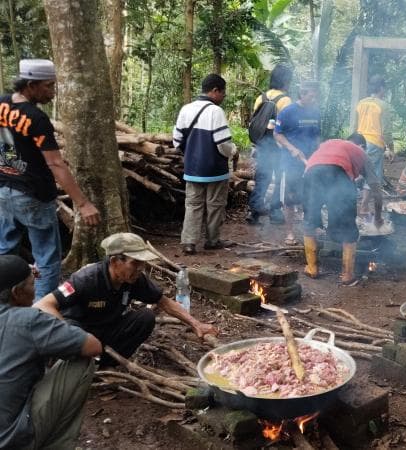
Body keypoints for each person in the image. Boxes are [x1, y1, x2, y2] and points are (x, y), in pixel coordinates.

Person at [33, 233, 219, 368]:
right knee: (73, 327)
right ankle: (77, 368)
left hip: (109, 331)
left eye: (143, 263)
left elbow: (163, 302)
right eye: (135, 263)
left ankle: (106, 365)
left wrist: (197, 325)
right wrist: (73, 335)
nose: (141, 268)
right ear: (115, 261)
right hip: (81, 333)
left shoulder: (135, 278)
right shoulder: (86, 279)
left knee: (145, 317)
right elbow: (43, 304)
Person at [0, 59, 101, 299]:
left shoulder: (2, 104)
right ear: (31, 85)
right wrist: (84, 204)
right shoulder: (36, 118)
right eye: (48, 86)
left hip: (5, 189)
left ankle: (3, 306)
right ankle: (41, 314)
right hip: (34, 194)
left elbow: (7, 142)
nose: (52, 92)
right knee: (46, 258)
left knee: (5, 250)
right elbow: (55, 162)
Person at [0, 255, 103, 450]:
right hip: (11, 439)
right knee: (81, 362)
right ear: (16, 292)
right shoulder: (27, 320)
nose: (36, 289)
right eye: (32, 284)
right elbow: (93, 346)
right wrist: (58, 339)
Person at [302, 134, 384, 286]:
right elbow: (376, 191)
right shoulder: (363, 154)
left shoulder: (328, 144)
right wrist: (378, 217)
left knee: (309, 220)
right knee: (347, 226)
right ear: (362, 146)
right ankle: (347, 275)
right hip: (337, 173)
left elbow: (316, 165)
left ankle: (312, 268)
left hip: (310, 174)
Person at [173, 73, 238, 255]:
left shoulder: (186, 109)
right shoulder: (215, 111)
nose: (224, 97)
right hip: (215, 169)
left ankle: (189, 242)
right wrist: (232, 151)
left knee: (193, 204)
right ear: (215, 91)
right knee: (215, 204)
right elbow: (223, 143)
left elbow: (177, 140)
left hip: (193, 168)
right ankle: (212, 240)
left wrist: (191, 153)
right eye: (223, 93)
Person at [274, 81, 321, 246]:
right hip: (291, 163)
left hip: (310, 162)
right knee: (290, 199)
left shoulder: (315, 112)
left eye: (315, 96)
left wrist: (318, 154)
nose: (314, 99)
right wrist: (291, 148)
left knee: (310, 196)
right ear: (302, 94)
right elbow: (277, 134)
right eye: (311, 96)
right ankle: (289, 233)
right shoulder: (288, 112)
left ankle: (310, 230)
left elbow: (317, 137)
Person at [246, 64, 293, 225]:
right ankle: (275, 211)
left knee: (262, 178)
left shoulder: (262, 97)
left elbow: (257, 121)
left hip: (261, 144)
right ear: (286, 80)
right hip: (277, 146)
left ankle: (253, 212)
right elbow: (287, 126)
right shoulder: (286, 100)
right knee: (280, 179)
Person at [355, 75, 394, 214]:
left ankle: (346, 200)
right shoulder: (383, 105)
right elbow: (387, 131)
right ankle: (364, 205)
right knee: (372, 175)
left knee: (357, 172)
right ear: (381, 88)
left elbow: (355, 124)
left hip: (358, 142)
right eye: (385, 89)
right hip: (374, 143)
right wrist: (391, 147)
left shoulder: (361, 103)